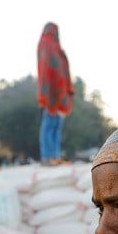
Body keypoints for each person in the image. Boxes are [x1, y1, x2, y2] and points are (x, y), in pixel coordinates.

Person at [36, 22, 74, 166]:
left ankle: (56, 156)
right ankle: (47, 157)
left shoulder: (57, 48)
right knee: (49, 124)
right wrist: (46, 91)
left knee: (57, 125)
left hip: (60, 91)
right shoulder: (45, 43)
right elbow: (45, 68)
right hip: (51, 90)